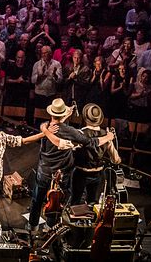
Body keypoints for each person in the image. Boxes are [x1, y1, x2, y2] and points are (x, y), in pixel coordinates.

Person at [29, 99, 114, 231]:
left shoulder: (46, 126)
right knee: (56, 203)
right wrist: (108, 138)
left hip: (44, 171)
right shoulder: (71, 131)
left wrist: (64, 116)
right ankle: (50, 227)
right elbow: (90, 142)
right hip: (61, 174)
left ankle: (32, 226)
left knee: (37, 199)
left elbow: (55, 125)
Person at [69, 104, 122, 205]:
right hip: (98, 174)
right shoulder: (106, 136)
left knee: (75, 204)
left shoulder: (79, 133)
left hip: (81, 173)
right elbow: (116, 160)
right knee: (93, 205)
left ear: (85, 117)